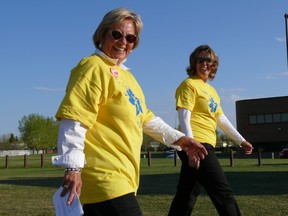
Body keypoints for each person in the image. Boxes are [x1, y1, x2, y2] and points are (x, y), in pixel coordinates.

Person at [51, 8, 208, 216]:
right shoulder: (93, 67)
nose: (123, 42)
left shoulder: (128, 79)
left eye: (131, 38)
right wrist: (72, 168)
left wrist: (181, 139)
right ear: (102, 34)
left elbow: (146, 118)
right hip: (104, 178)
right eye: (117, 34)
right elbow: (75, 119)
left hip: (124, 178)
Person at [167, 45, 254, 216]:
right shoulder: (189, 85)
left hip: (202, 145)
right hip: (198, 145)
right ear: (194, 63)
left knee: (186, 195)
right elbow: (184, 116)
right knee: (223, 193)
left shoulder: (212, 91)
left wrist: (240, 140)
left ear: (214, 64)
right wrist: (192, 147)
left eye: (209, 60)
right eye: (200, 60)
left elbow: (220, 119)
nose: (204, 64)